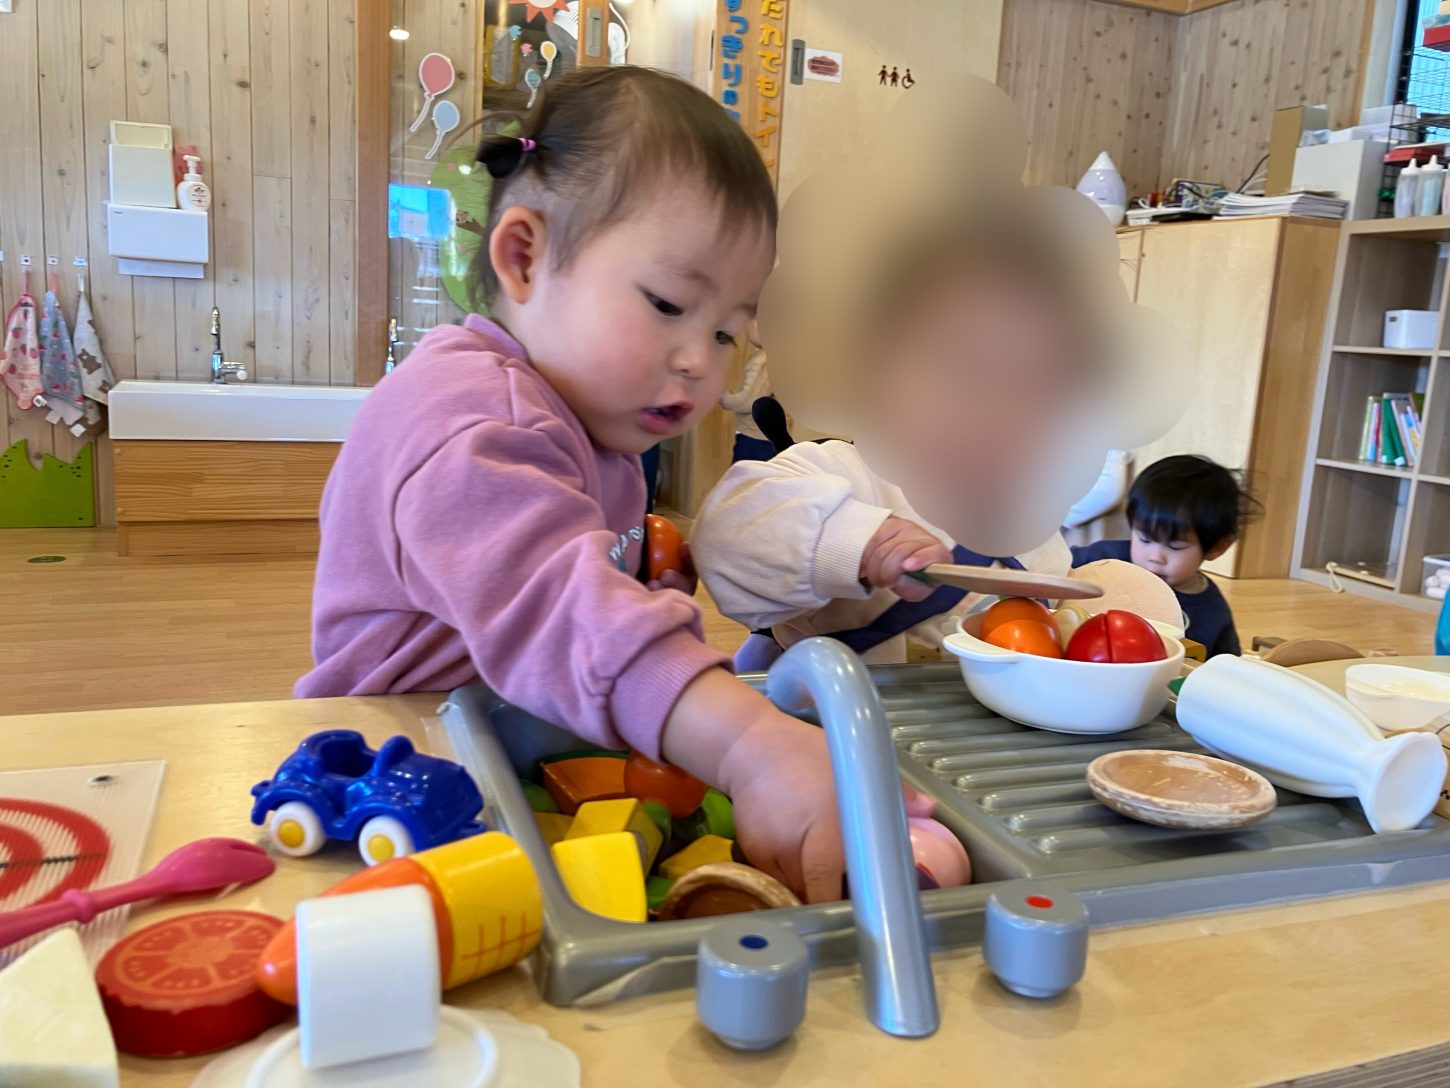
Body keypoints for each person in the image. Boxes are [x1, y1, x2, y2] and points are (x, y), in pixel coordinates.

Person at [296, 67, 862, 904]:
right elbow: (562, 613)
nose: (698, 361)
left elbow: (585, 589)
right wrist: (752, 746)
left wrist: (649, 585)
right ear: (523, 257)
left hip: (521, 750)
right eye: (667, 303)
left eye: (728, 334)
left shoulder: (589, 423)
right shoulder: (471, 420)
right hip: (400, 783)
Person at [692, 229, 1100, 671]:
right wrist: (858, 543)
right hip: (835, 708)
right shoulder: (844, 474)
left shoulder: (1033, 525)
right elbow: (728, 534)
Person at [1070, 454, 1252, 658]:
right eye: (1145, 540)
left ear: (1217, 548)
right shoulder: (1103, 560)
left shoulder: (1211, 610)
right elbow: (1053, 568)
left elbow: (1225, 663)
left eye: (1175, 547)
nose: (1155, 557)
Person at [719, 334, 775, 462]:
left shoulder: (763, 359)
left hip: (755, 437)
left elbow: (750, 401)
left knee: (744, 473)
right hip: (767, 436)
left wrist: (723, 398)